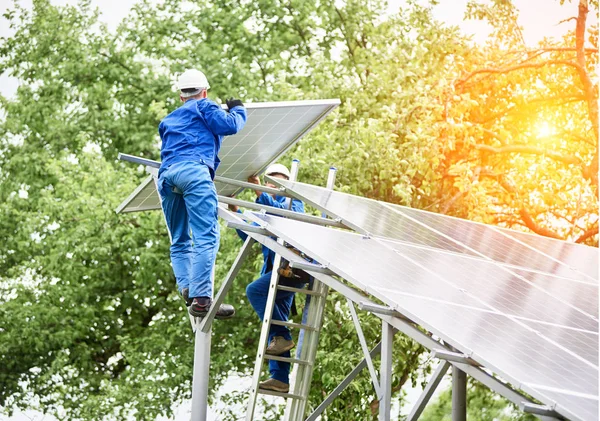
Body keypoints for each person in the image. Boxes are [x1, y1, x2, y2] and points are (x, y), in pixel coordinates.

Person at [158, 68, 247, 319]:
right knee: (206, 236)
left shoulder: (169, 119)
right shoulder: (205, 106)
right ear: (204, 92)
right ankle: (201, 299)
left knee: (179, 239)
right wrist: (238, 108)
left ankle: (187, 286)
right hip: (194, 172)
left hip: (166, 177)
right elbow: (230, 125)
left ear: (180, 96)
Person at [229, 163, 305, 393]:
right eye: (270, 181)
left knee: (254, 291)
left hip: (294, 270)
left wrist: (260, 193)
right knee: (278, 316)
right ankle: (280, 377)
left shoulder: (293, 203)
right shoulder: (265, 209)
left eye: (277, 182)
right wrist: (234, 210)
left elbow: (282, 216)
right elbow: (249, 234)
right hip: (276, 272)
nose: (272, 185)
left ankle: (282, 336)